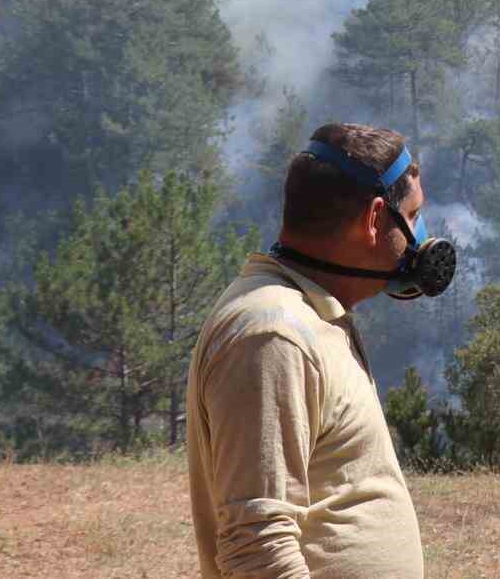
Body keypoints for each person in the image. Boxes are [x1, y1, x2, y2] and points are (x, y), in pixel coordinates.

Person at [187, 122, 456, 579]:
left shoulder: (310, 317)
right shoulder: (273, 337)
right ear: (374, 219)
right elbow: (259, 547)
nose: (421, 235)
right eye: (412, 216)